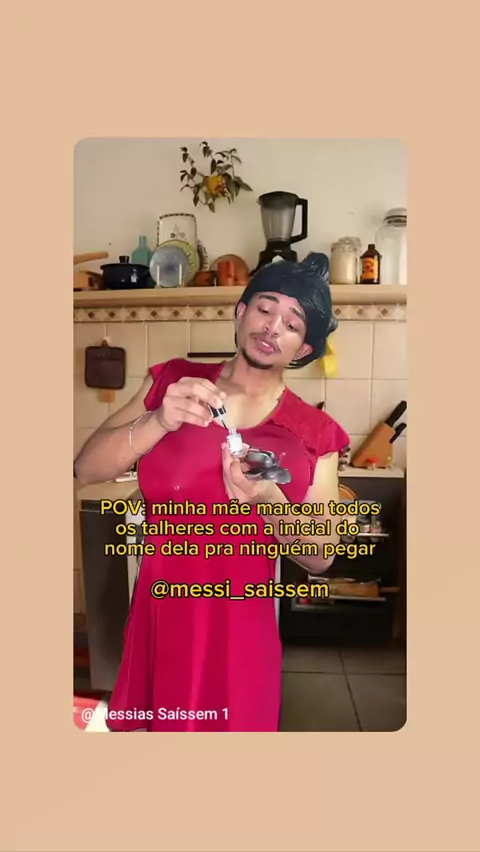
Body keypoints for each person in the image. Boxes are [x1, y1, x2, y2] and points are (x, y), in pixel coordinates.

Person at [74, 253, 350, 732]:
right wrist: (157, 420)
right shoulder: (171, 383)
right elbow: (85, 467)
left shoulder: (316, 432)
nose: (272, 327)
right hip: (162, 613)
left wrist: (268, 500)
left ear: (303, 348)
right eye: (265, 308)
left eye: (292, 323)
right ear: (241, 313)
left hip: (241, 625)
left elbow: (321, 554)